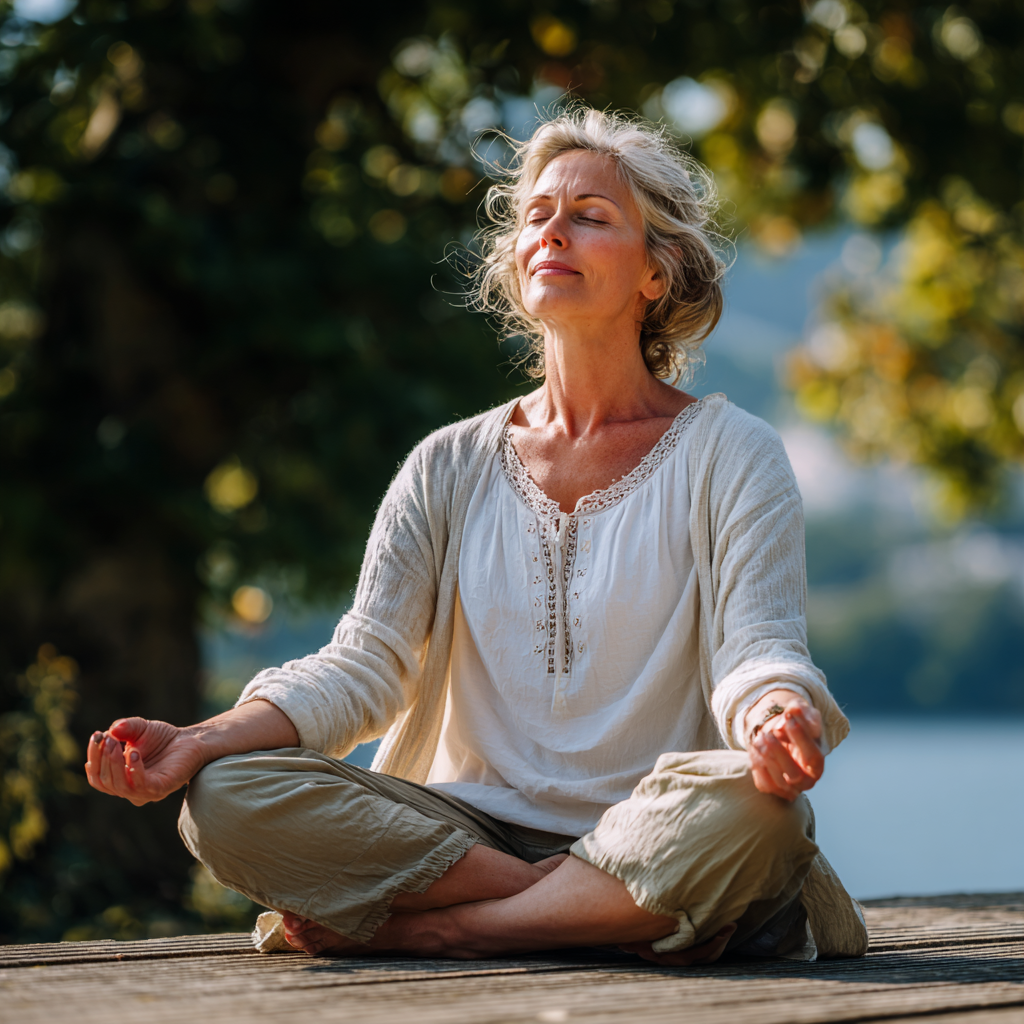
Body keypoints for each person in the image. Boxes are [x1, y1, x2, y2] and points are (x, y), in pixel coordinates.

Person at [85, 108, 867, 965]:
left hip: (657, 815)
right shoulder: (447, 464)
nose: (551, 233)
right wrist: (201, 740)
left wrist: (777, 713)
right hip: (461, 836)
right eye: (536, 215)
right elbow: (364, 665)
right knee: (226, 797)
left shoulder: (733, 452)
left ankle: (454, 930)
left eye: (590, 217)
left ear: (657, 271)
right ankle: (609, 909)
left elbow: (759, 647)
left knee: (759, 812)